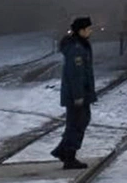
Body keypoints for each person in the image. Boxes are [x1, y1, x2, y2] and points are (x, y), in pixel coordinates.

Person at [50, 16, 97, 170]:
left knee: (78, 122)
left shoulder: (80, 45)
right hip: (77, 95)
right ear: (81, 31)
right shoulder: (76, 49)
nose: (90, 31)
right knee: (77, 124)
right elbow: (76, 75)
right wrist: (78, 96)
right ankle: (68, 156)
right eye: (88, 29)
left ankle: (63, 151)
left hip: (80, 94)